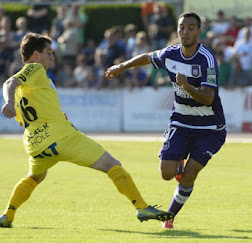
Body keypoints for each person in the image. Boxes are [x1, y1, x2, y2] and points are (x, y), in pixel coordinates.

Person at [0, 32, 174, 228]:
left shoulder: (28, 87)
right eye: (48, 52)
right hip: (62, 138)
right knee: (112, 164)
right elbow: (9, 82)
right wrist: (7, 102)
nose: (52, 57)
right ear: (35, 55)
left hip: (35, 145)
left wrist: (49, 114)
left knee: (35, 177)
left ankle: (8, 215)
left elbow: (26, 117)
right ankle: (141, 207)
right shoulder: (34, 69)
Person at [105, 12, 227, 229]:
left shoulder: (207, 59)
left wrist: (188, 86)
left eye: (191, 28)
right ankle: (177, 161)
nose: (186, 32)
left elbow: (208, 98)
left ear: (199, 32)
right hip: (181, 121)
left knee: (189, 175)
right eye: (182, 28)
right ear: (177, 30)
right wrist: (121, 67)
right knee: (166, 174)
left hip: (210, 128)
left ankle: (169, 215)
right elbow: (147, 57)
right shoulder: (170, 54)